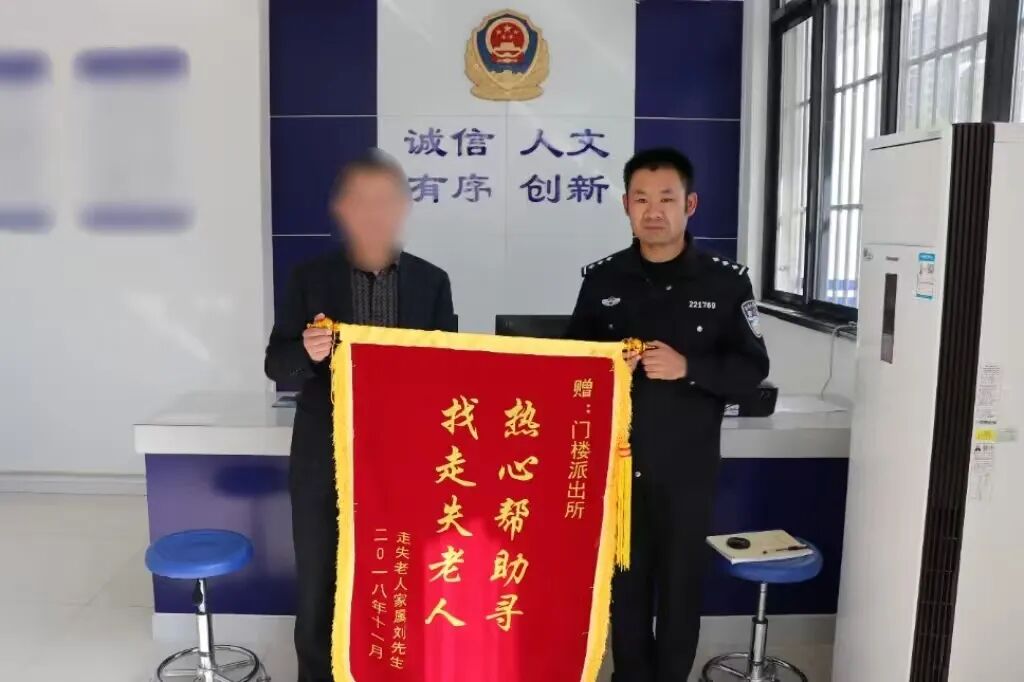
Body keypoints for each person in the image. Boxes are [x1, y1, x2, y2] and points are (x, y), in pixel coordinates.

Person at [566, 147, 769, 681]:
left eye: (666, 199)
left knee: (681, 592)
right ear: (625, 206)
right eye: (641, 199)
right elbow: (572, 366)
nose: (653, 211)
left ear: (690, 205)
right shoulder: (603, 280)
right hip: (618, 472)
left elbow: (751, 370)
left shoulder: (725, 282)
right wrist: (608, 362)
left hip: (687, 471)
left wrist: (688, 368)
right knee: (626, 592)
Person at [265, 150, 456, 682]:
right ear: (341, 209)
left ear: (403, 207)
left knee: (400, 576)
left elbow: (450, 372)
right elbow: (275, 362)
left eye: (384, 201)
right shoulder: (309, 278)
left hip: (405, 460)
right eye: (360, 201)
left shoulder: (432, 282)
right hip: (324, 456)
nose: (373, 213)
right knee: (320, 581)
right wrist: (306, 352)